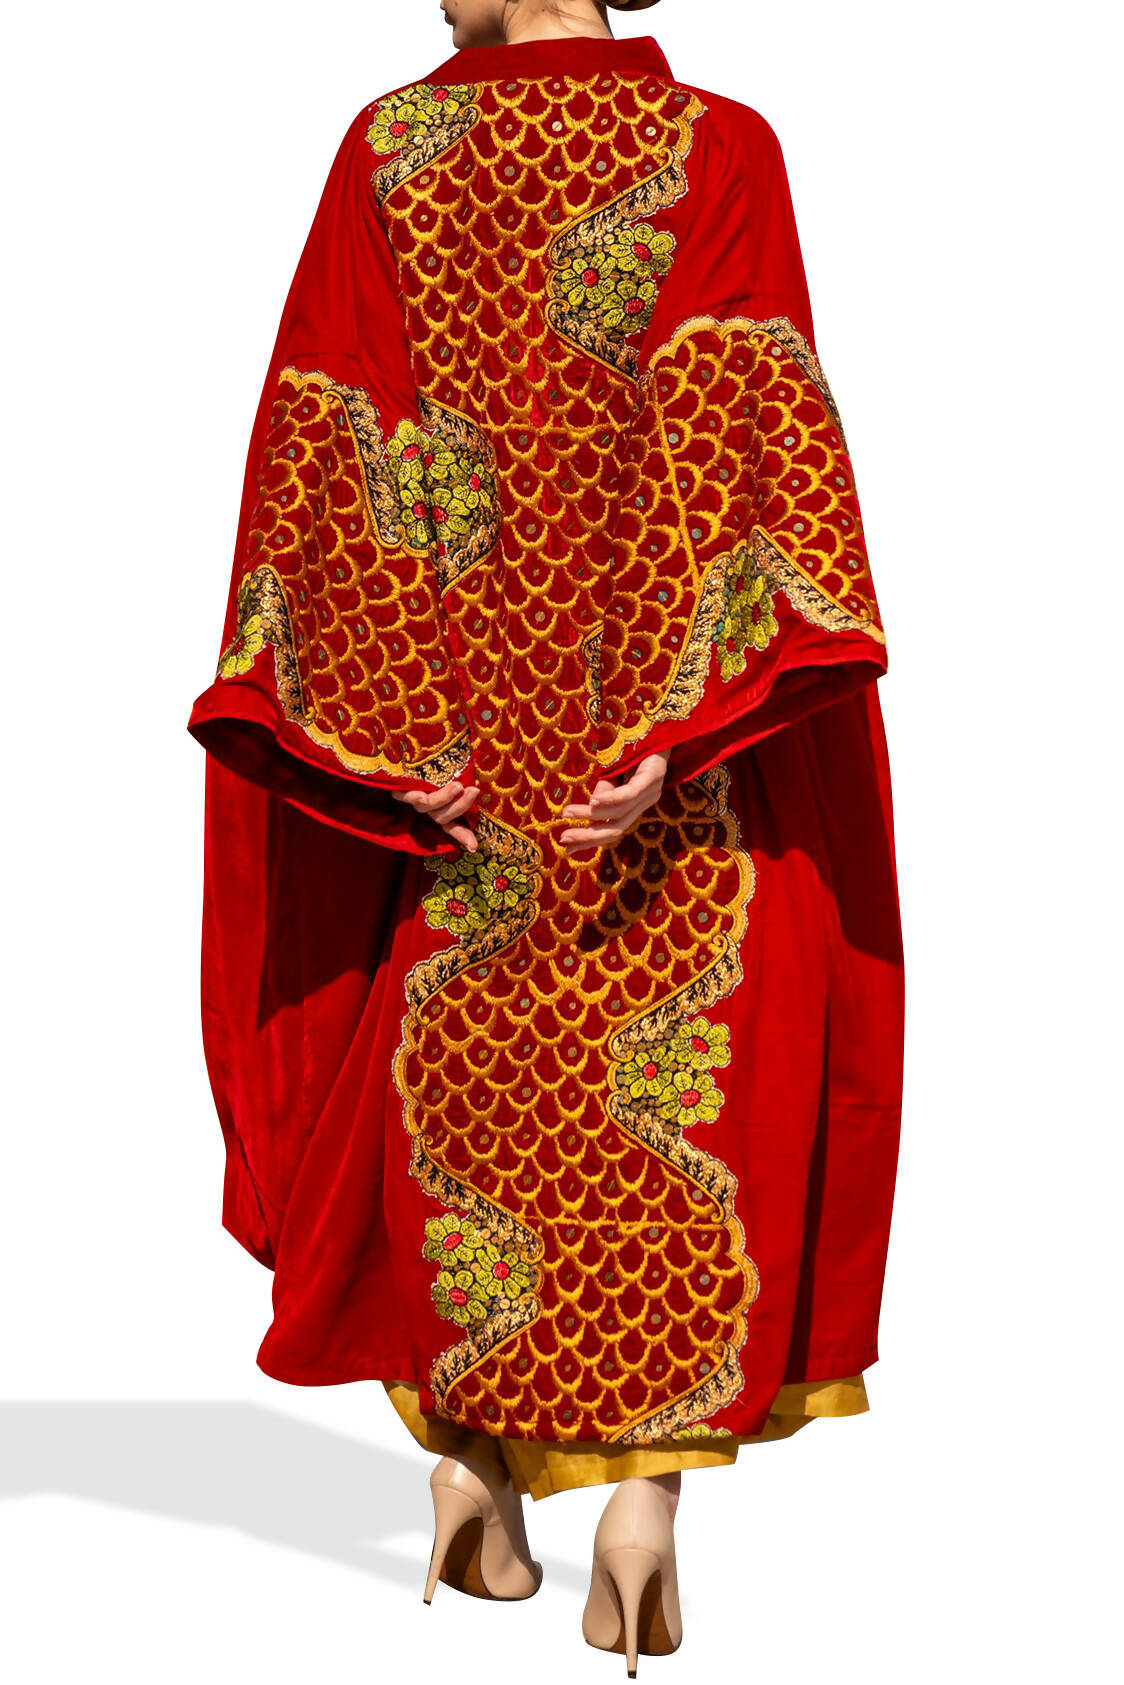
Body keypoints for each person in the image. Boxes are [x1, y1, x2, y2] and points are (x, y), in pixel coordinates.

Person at [187, 0, 904, 1670]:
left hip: (466, 780)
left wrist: (395, 735)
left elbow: (332, 433)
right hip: (660, 769)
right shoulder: (722, 147)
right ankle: (640, 1522)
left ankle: (469, 1481)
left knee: (473, 1111)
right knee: (674, 1119)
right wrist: (665, 723)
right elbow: (742, 422)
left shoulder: (393, 150)